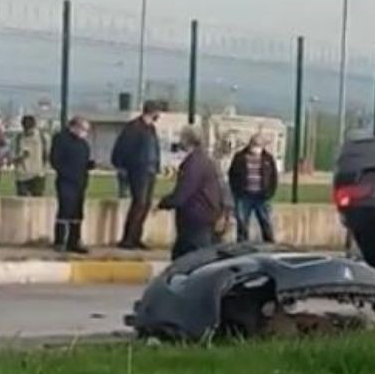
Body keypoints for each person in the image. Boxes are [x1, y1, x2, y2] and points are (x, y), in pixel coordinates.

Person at [158, 125, 227, 259]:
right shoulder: (206, 160)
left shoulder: (194, 163)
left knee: (192, 260)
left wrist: (164, 203)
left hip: (196, 217)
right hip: (207, 214)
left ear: (186, 140)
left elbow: (184, 192)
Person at [111, 100, 163, 249]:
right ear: (152, 111)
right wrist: (122, 167)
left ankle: (136, 237)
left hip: (150, 170)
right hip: (138, 170)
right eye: (157, 112)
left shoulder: (151, 129)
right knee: (138, 203)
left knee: (145, 204)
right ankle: (128, 239)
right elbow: (122, 148)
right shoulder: (134, 127)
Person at [50, 116, 94, 254]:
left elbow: (83, 161)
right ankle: (60, 241)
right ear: (74, 126)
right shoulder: (61, 139)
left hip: (80, 182)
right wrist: (67, 173)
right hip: (66, 182)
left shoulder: (83, 144)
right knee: (65, 211)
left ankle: (74, 241)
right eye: (83, 129)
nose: (84, 133)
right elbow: (55, 160)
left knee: (77, 213)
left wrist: (89, 166)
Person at [228, 133, 278, 242]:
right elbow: (232, 175)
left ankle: (269, 245)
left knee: (266, 222)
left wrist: (270, 193)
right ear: (250, 144)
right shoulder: (239, 157)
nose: (256, 148)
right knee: (242, 223)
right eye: (255, 145)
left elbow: (273, 177)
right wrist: (236, 192)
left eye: (259, 145)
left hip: (262, 196)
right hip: (244, 196)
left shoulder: (268, 159)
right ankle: (242, 246)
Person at [13, 115, 46, 197]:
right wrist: (21, 157)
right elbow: (13, 157)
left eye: (30, 128)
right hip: (22, 175)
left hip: (38, 175)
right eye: (26, 128)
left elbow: (46, 155)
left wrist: (43, 168)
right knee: (21, 202)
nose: (28, 131)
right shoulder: (18, 138)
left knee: (37, 203)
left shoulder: (42, 138)